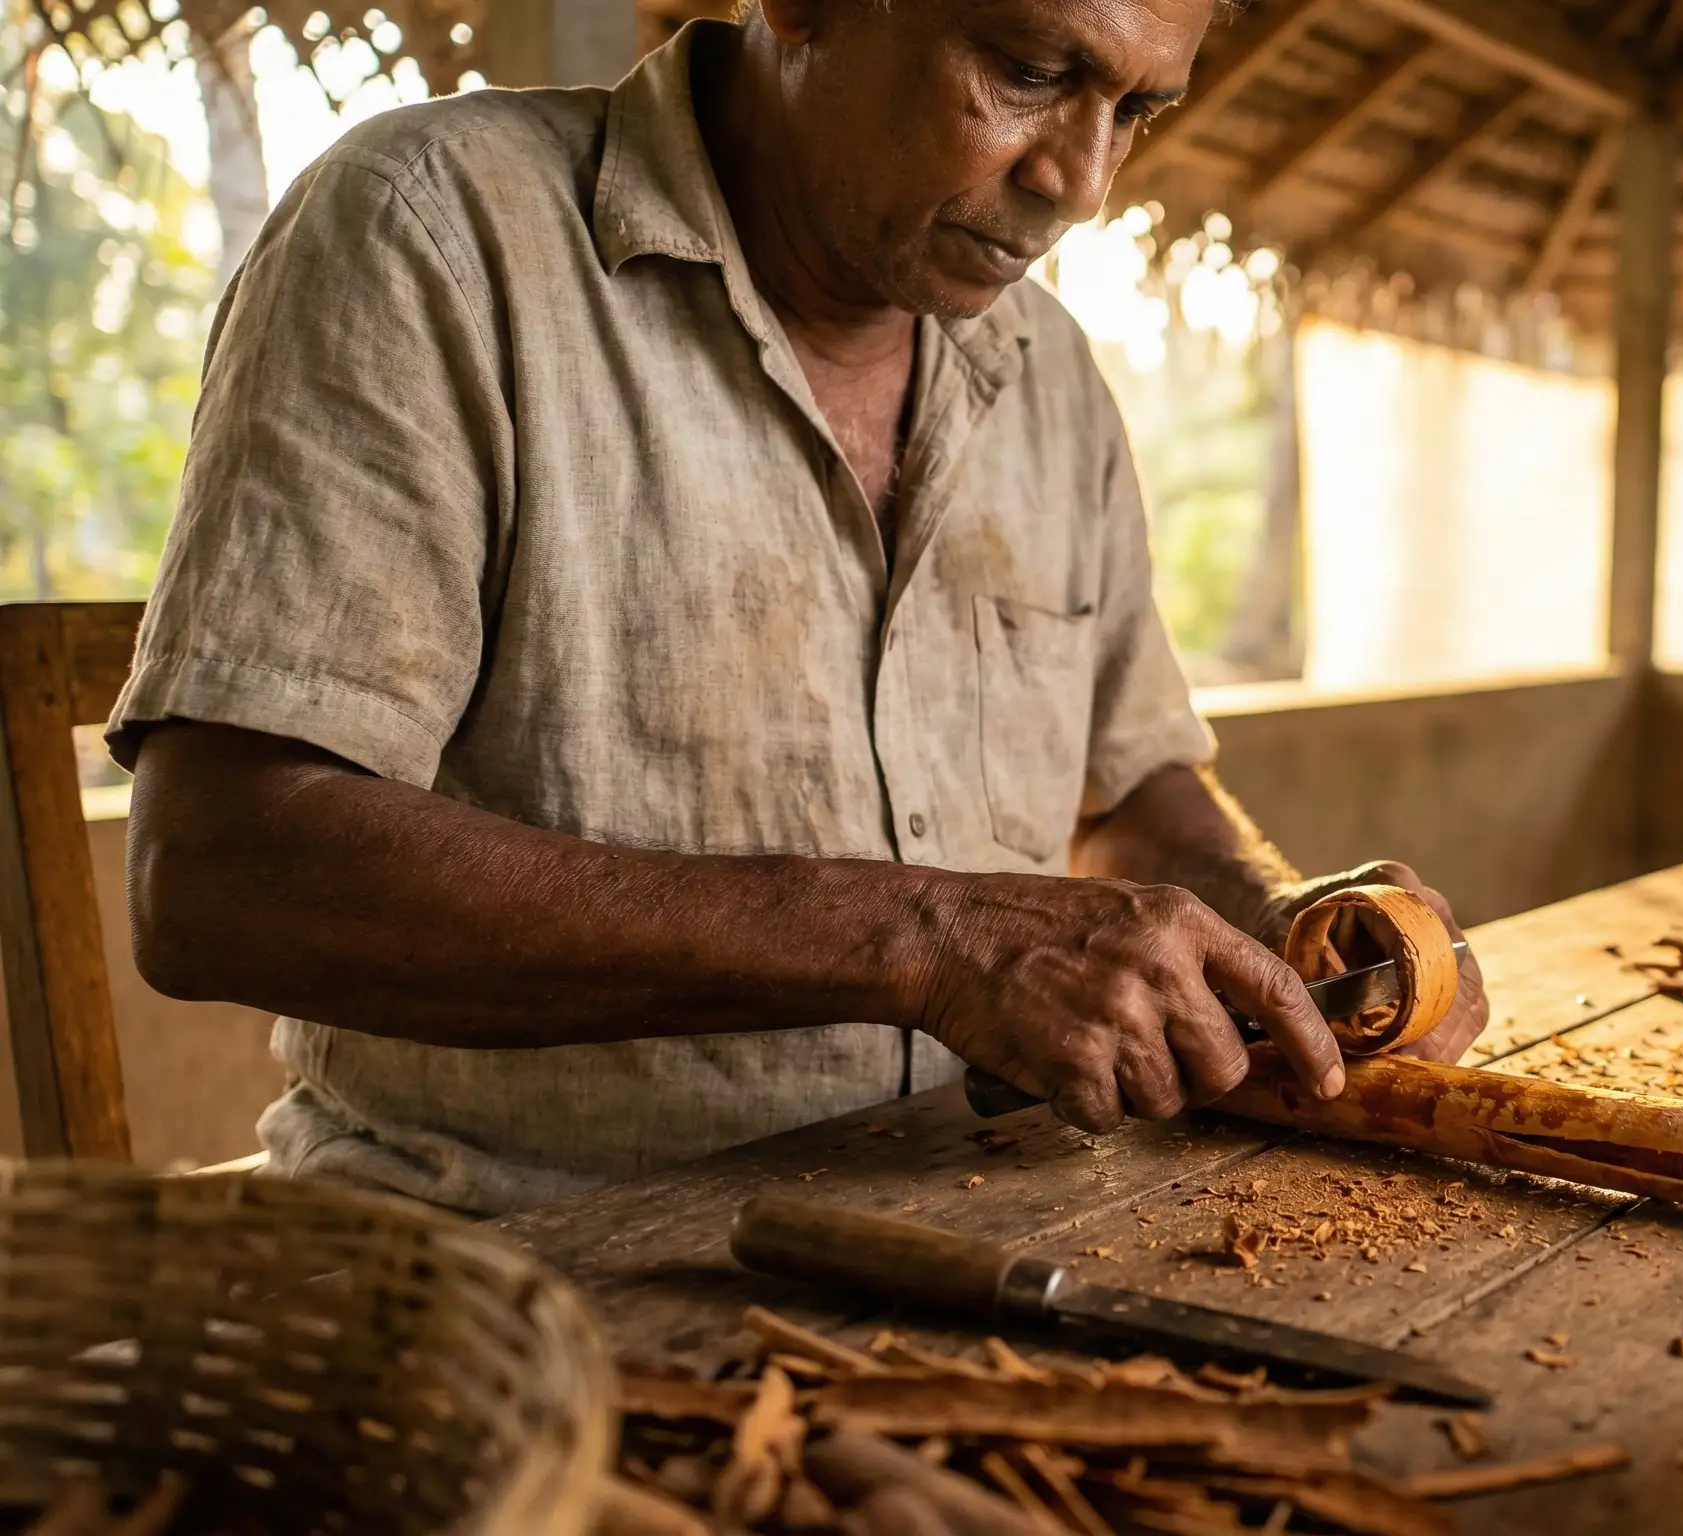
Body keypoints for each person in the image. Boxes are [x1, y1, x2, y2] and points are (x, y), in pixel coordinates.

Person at [111, 0, 1487, 1216]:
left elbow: (1128, 795)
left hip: (973, 1216)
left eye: (1134, 108)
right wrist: (926, 941)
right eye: (1025, 70)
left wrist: (1282, 920)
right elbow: (221, 874)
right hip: (513, 1250)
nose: (1080, 182)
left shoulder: (1051, 378)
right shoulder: (434, 230)